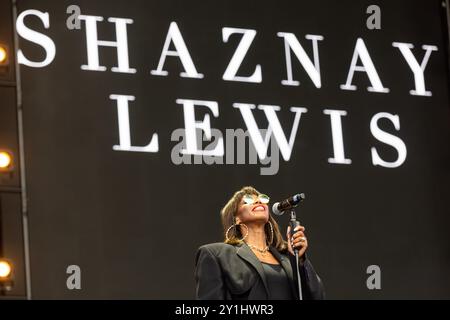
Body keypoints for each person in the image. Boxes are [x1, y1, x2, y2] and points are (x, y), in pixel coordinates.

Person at [194, 186, 325, 300]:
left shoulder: (288, 257)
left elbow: (317, 296)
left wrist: (300, 261)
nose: (258, 201)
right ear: (236, 218)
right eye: (248, 200)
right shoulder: (216, 255)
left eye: (262, 199)